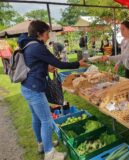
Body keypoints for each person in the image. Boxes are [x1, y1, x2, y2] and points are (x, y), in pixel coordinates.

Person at [18, 20, 88, 160]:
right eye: (47, 33)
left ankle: (42, 144)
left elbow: (33, 64)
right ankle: (49, 153)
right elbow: (59, 64)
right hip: (34, 89)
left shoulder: (27, 44)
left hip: (27, 87)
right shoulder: (37, 47)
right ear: (39, 33)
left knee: (37, 118)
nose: (48, 36)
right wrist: (77, 63)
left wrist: (45, 67)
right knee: (46, 120)